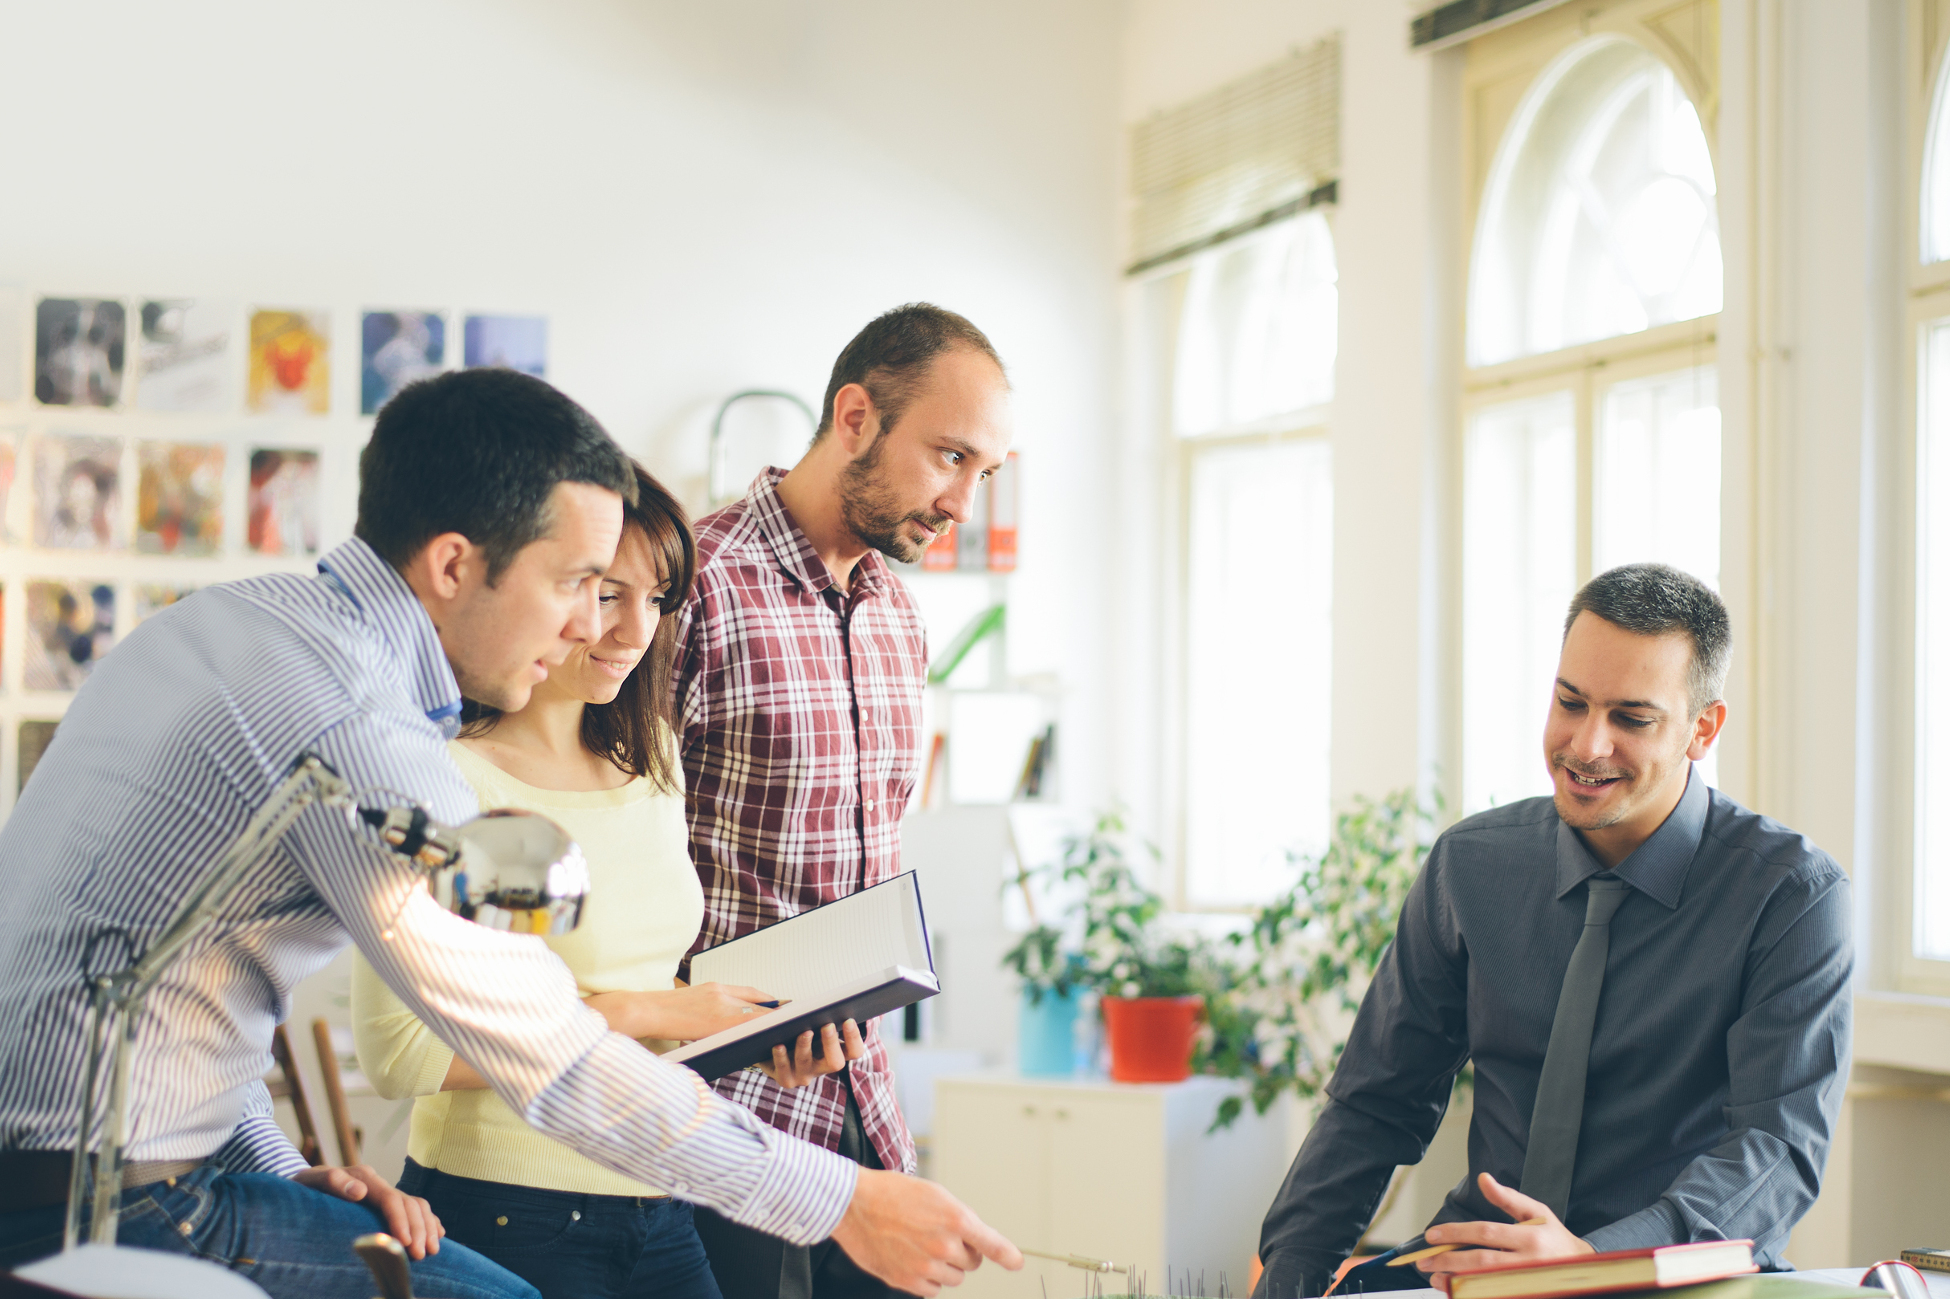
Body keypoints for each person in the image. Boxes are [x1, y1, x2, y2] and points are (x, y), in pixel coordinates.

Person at [0, 368, 1020, 1299]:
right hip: (101, 1207)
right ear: (453, 564)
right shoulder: (357, 729)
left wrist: (274, 1171)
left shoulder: (232, 625)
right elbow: (553, 1059)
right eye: (577, 581)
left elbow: (167, 989)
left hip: (126, 1165)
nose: (593, 629)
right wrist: (840, 1200)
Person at [1252, 563, 1852, 1299]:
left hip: (1670, 1277)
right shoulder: (1471, 865)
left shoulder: (1791, 896)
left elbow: (1777, 1150)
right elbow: (1375, 1101)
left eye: (1632, 718)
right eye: (1570, 702)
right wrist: (1291, 1279)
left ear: (1703, 728)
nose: (1586, 744)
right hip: (1478, 1267)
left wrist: (1592, 1259)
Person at [350, 462, 865, 1299]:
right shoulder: (447, 776)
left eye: (658, 598)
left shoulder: (652, 757)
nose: (635, 630)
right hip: (507, 1208)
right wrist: (657, 1010)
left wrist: (740, 1038)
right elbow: (402, 1053)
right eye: (608, 594)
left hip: (657, 1193)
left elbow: (640, 987)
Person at [671, 303, 1014, 1299]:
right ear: (855, 415)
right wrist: (725, 1012)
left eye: (983, 473)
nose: (963, 502)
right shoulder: (694, 586)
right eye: (949, 456)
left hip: (865, 1109)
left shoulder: (896, 609)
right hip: (722, 1132)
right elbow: (619, 873)